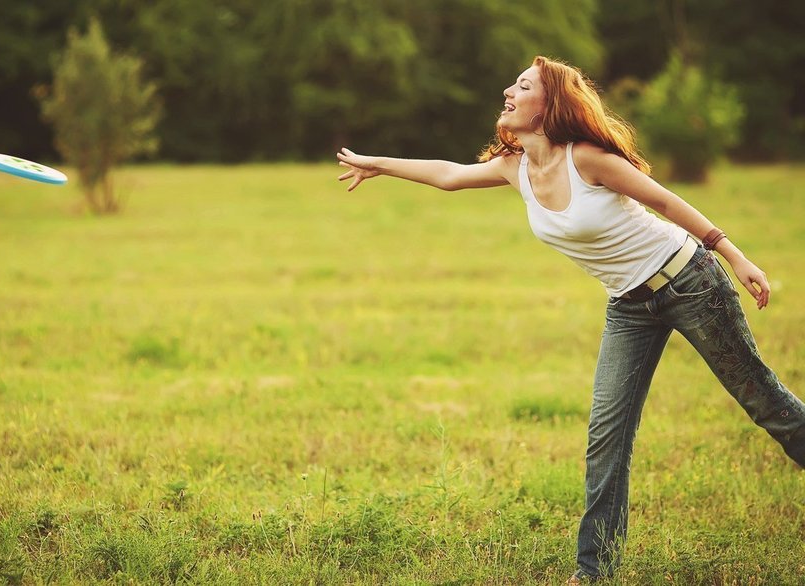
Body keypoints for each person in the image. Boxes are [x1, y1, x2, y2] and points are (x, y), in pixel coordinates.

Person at [336, 55, 805, 582]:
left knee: (762, 399)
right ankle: (594, 573)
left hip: (689, 280)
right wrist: (378, 164)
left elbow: (668, 204)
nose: (509, 91)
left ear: (549, 105)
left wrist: (734, 257)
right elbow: (447, 175)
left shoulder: (587, 159)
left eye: (523, 85)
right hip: (628, 306)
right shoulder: (516, 168)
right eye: (513, 83)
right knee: (607, 436)